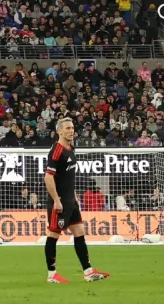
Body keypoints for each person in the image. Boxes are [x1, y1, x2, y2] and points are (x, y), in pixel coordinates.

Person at [43, 117, 107, 283]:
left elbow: (67, 177)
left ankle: (88, 271)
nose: (71, 131)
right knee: (53, 235)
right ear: (59, 131)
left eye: (72, 128)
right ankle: (52, 274)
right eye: (67, 128)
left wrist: (74, 196)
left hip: (71, 201)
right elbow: (48, 178)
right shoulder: (56, 151)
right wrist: (57, 200)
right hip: (59, 202)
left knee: (79, 232)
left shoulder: (71, 148)